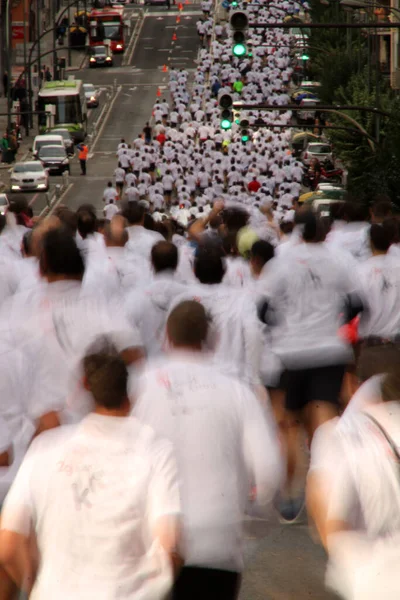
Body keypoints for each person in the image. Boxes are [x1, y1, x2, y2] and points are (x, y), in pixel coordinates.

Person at [0, 339, 181, 599]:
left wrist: (33, 587)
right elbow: (169, 545)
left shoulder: (45, 447)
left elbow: (8, 545)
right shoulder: (156, 451)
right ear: (130, 397)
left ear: (86, 388)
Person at [134, 300, 282, 600]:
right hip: (217, 540)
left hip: (148, 539)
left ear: (167, 336)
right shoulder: (237, 391)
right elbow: (268, 470)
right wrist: (255, 517)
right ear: (212, 340)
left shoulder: (139, 385)